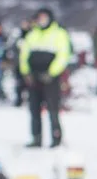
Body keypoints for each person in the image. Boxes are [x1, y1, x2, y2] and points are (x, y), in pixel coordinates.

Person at [19, 8, 72, 146]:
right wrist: (26, 72)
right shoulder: (32, 34)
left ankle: (56, 138)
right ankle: (36, 138)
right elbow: (24, 54)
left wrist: (52, 72)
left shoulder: (59, 34)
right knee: (34, 109)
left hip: (51, 78)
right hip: (34, 76)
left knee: (53, 109)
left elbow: (63, 55)